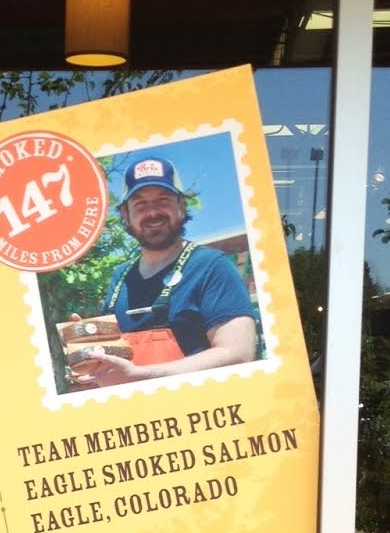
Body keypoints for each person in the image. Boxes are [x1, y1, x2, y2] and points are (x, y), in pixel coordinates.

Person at [71, 156, 258, 388]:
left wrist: (142, 376)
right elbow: (117, 363)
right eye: (140, 204)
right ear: (125, 214)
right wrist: (90, 355)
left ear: (181, 207)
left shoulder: (211, 266)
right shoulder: (120, 277)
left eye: (163, 200)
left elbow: (238, 354)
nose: (152, 212)